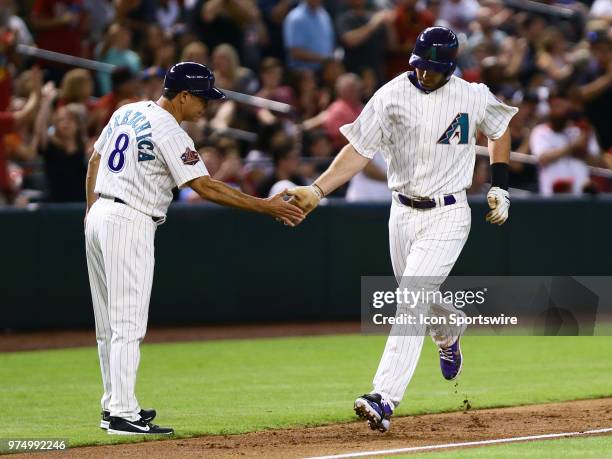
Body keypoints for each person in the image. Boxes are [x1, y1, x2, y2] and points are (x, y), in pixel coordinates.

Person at [287, 27, 518, 432]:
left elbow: (499, 129)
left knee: (411, 297)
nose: (426, 75)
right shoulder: (390, 95)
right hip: (402, 212)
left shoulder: (472, 93)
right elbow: (358, 150)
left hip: (449, 211)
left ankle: (384, 397)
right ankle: (448, 328)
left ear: (450, 67)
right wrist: (319, 189)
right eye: (422, 67)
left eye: (435, 69)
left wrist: (499, 183)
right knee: (416, 298)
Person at [85, 62, 303, 435]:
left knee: (108, 326)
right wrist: (266, 205)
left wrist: (92, 214)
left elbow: (95, 161)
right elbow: (207, 187)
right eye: (202, 98)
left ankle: (115, 406)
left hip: (101, 213)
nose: (207, 106)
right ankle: (121, 412)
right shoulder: (170, 131)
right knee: (127, 324)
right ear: (183, 96)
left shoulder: (128, 110)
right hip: (129, 219)